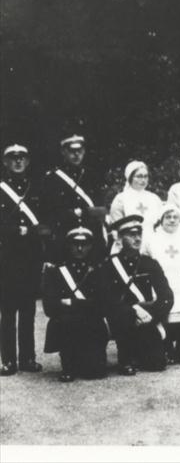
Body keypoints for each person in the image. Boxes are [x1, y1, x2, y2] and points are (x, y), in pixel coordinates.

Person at [93, 215, 173, 375]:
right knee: (122, 317)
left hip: (148, 319)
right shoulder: (109, 266)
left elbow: (167, 297)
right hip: (124, 319)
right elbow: (106, 298)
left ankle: (143, 352)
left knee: (157, 364)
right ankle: (126, 357)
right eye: (131, 235)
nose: (137, 238)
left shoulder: (150, 263)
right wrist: (134, 311)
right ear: (121, 238)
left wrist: (152, 315)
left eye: (139, 234)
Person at [0, 144, 46, 375]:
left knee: (28, 309)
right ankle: (8, 360)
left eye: (22, 158)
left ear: (27, 162)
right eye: (13, 158)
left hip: (30, 256)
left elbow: (45, 220)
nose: (18, 162)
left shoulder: (35, 187)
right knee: (8, 311)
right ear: (6, 162)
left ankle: (28, 357)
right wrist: (16, 230)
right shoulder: (1, 189)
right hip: (7, 257)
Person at [41, 226, 108, 381]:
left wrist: (70, 302)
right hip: (68, 326)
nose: (79, 248)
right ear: (68, 245)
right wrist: (85, 304)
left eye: (84, 244)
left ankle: (88, 358)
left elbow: (103, 306)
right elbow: (49, 307)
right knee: (65, 321)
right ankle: (68, 364)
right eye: (75, 244)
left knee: (95, 373)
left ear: (90, 246)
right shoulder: (57, 272)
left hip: (92, 326)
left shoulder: (98, 271)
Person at [142, 204, 180, 365]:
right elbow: (146, 263)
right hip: (159, 280)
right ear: (161, 220)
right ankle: (167, 347)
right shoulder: (152, 240)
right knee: (163, 307)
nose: (172, 220)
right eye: (168, 217)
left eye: (175, 217)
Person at [41, 133, 108, 260]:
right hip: (65, 235)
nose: (76, 154)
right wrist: (81, 212)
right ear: (63, 152)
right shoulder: (52, 179)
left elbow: (100, 208)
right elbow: (49, 212)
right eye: (72, 151)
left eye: (80, 150)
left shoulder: (92, 176)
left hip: (91, 234)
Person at [109, 161, 163, 244]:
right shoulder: (121, 198)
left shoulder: (154, 198)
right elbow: (116, 225)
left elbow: (161, 222)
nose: (143, 180)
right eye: (139, 176)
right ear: (130, 178)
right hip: (130, 242)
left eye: (146, 176)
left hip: (153, 241)